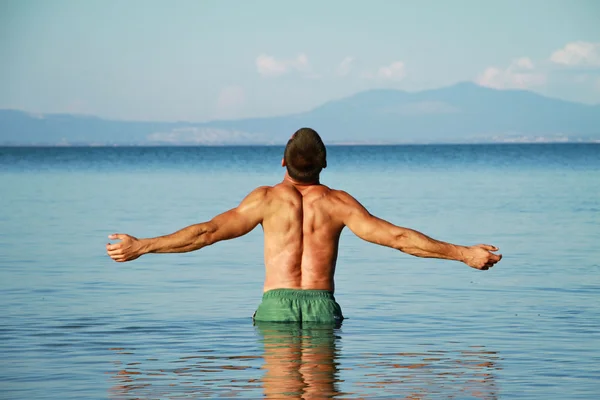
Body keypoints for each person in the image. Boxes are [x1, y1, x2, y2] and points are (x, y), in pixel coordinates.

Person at [106, 128, 502, 323]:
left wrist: (142, 245)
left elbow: (207, 233)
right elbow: (398, 239)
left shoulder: (263, 200)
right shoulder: (339, 204)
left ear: (283, 162)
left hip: (276, 309)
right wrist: (464, 254)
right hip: (321, 309)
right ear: (324, 164)